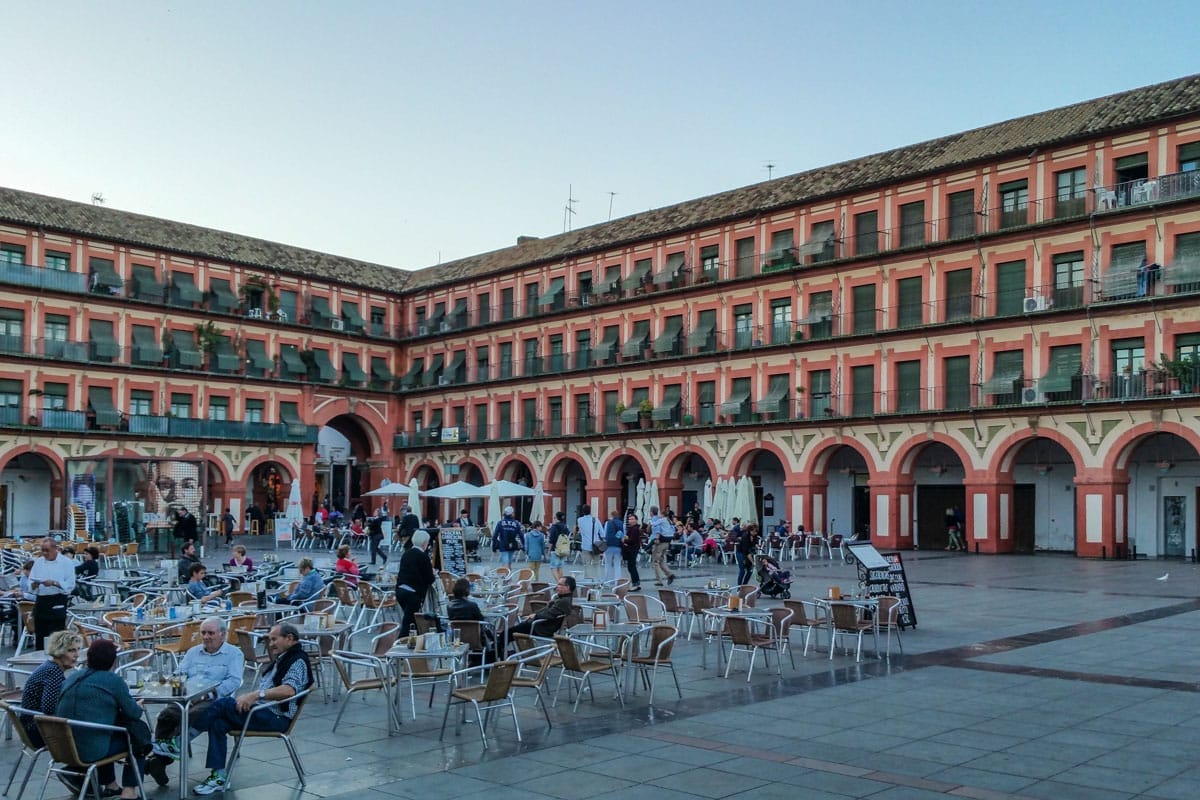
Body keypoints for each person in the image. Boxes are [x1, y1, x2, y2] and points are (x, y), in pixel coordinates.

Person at [190, 623, 312, 795]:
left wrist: (255, 695)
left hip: (276, 717)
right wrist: (253, 697)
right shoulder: (285, 656)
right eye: (270, 640)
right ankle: (218, 775)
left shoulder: (297, 660)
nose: (270, 644)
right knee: (218, 722)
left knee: (223, 703)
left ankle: (185, 738)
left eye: (274, 639)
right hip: (263, 711)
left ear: (289, 638)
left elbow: (289, 690)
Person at [145, 617, 245, 787]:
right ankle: (160, 760)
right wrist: (175, 690)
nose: (206, 637)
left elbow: (234, 681)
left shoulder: (234, 654)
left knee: (194, 714)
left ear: (223, 634)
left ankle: (172, 747)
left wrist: (205, 695)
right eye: (203, 633)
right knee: (166, 715)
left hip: (215, 699)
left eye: (210, 633)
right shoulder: (193, 652)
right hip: (186, 696)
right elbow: (179, 673)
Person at [55, 639, 146, 800]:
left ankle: (111, 786)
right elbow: (133, 713)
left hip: (62, 747)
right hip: (90, 751)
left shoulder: (71, 677)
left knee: (106, 730)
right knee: (139, 734)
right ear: (113, 661)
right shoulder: (113, 680)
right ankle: (129, 792)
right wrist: (138, 706)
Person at [19, 630, 82, 747]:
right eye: (71, 650)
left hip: (30, 723)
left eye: (78, 649)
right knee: (92, 733)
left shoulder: (49, 666)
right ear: (59, 652)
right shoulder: (54, 672)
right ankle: (79, 763)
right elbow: (49, 709)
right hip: (37, 730)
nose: (77, 655)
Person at [501, 575, 575, 653]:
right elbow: (547, 610)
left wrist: (536, 615)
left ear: (567, 587)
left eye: (560, 584)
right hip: (539, 625)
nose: (557, 586)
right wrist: (534, 614)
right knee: (509, 632)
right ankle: (500, 650)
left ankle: (497, 652)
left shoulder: (563, 601)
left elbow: (550, 613)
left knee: (507, 633)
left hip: (540, 628)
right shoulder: (561, 598)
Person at [30, 538, 75, 649]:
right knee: (40, 636)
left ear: (55, 549)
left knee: (56, 638)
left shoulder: (66, 563)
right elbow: (30, 582)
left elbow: (70, 585)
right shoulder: (38, 562)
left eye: (47, 550)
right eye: (43, 550)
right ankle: (41, 662)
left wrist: (54, 583)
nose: (44, 553)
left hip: (57, 600)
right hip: (41, 601)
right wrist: (34, 585)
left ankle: (56, 663)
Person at [394, 530, 435, 635]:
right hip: (413, 592)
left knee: (412, 619)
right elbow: (429, 578)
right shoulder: (423, 556)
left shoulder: (406, 553)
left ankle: (415, 639)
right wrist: (433, 574)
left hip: (400, 590)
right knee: (408, 623)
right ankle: (400, 643)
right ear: (424, 543)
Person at [647, 505, 676, 587]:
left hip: (659, 542)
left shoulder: (657, 520)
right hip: (666, 542)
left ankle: (659, 580)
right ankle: (669, 574)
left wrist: (656, 539)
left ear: (651, 512)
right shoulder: (668, 520)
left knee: (655, 561)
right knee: (662, 560)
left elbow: (657, 530)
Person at [621, 513, 643, 591]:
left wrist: (625, 540)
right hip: (631, 549)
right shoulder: (632, 528)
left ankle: (635, 584)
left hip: (632, 550)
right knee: (631, 567)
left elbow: (632, 540)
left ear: (636, 520)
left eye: (632, 519)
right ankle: (635, 582)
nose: (630, 520)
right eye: (629, 519)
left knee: (632, 567)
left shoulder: (635, 529)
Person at [547, 511, 570, 582]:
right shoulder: (565, 526)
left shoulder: (554, 527)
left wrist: (549, 549)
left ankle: (559, 583)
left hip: (555, 549)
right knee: (560, 567)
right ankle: (562, 581)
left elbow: (552, 539)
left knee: (553, 567)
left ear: (556, 518)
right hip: (563, 549)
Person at [602, 510, 625, 583]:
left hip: (608, 546)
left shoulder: (607, 523)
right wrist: (617, 538)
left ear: (611, 515)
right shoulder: (622, 523)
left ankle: (607, 582)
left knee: (607, 564)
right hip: (618, 546)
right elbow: (622, 535)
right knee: (617, 565)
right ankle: (617, 582)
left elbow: (604, 535)